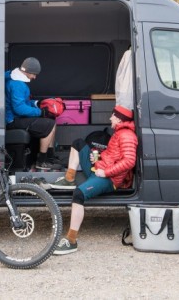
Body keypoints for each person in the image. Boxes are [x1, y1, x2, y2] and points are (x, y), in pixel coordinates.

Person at [51, 105, 137, 255]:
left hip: (108, 179)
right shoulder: (119, 133)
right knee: (78, 143)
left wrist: (106, 172)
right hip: (98, 168)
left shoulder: (127, 136)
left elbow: (129, 161)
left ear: (119, 119)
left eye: (112, 116)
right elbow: (113, 155)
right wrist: (98, 157)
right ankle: (69, 179)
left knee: (78, 194)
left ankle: (71, 241)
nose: (110, 118)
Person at [5, 57, 61, 171]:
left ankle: (49, 157)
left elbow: (24, 102)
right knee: (48, 125)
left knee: (52, 121)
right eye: (34, 74)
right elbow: (19, 109)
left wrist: (37, 103)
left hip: (17, 118)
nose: (34, 77)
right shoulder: (17, 84)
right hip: (13, 120)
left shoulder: (18, 81)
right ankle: (41, 161)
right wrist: (41, 112)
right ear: (27, 71)